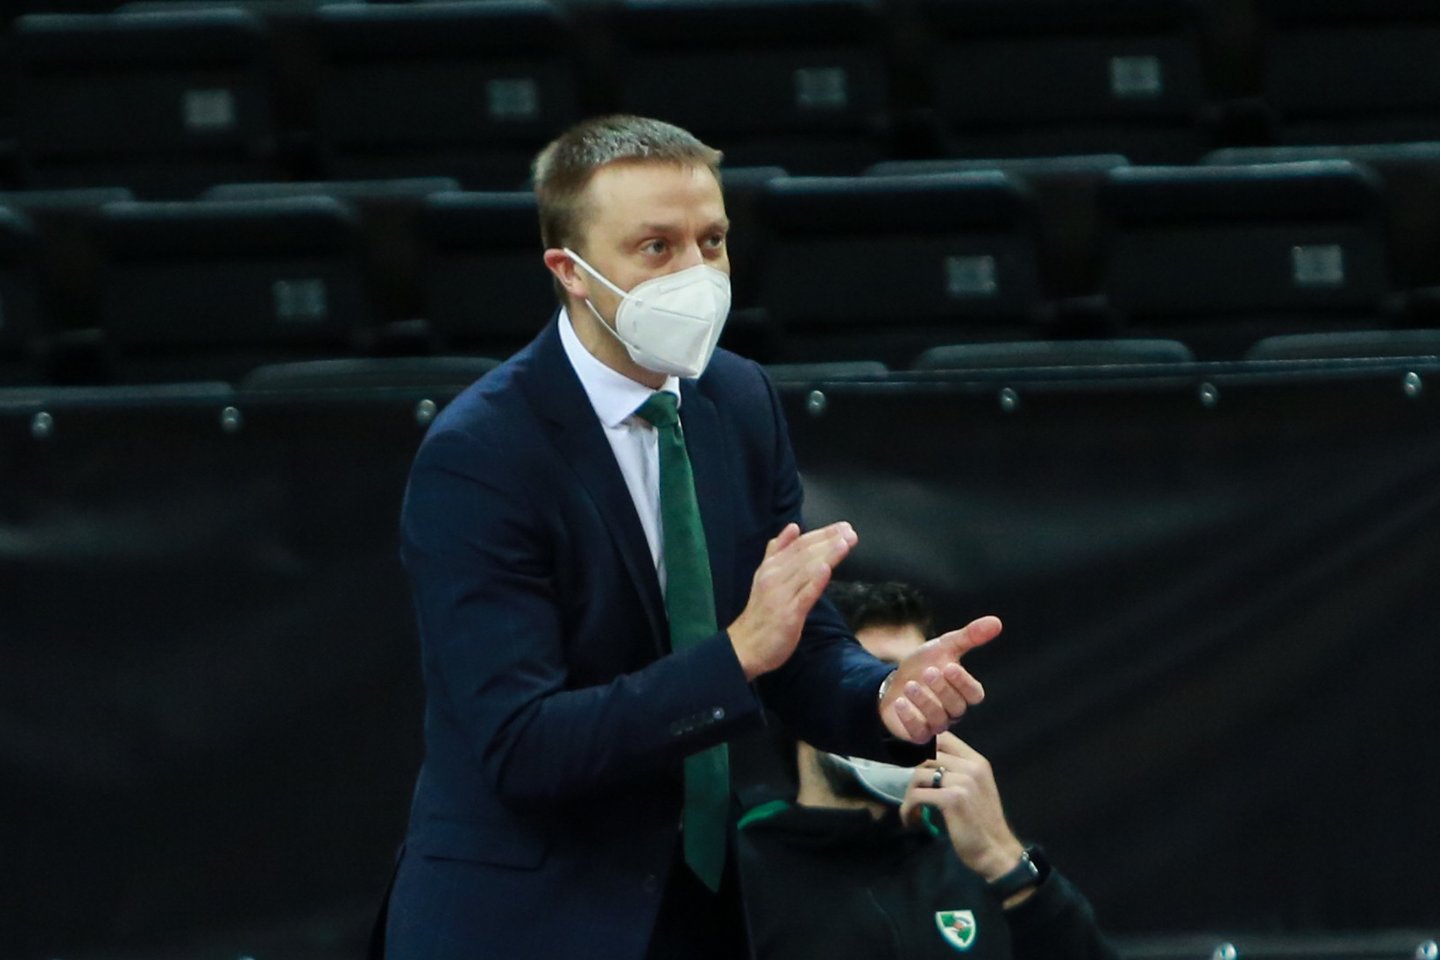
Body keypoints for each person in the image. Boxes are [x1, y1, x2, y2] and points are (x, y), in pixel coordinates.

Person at [381, 115, 1006, 960]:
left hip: (696, 903)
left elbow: (798, 648)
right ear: (570, 272)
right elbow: (522, 746)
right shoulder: (482, 455)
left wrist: (882, 697)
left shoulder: (736, 399)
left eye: (712, 241)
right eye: (657, 247)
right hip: (525, 918)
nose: (698, 274)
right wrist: (736, 653)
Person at [738, 581, 1119, 960]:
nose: (909, 711)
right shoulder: (734, 872)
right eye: (881, 682)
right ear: (808, 698)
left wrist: (1005, 861)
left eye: (924, 686)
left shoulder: (980, 870)